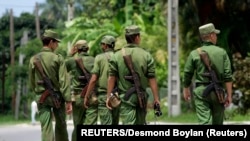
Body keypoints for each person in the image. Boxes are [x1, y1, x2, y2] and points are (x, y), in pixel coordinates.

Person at [106, 25, 160, 125]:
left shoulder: (116, 56)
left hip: (125, 98)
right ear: (137, 37)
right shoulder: (146, 55)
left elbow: (111, 77)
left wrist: (109, 96)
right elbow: (152, 79)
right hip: (142, 97)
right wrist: (156, 99)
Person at [183, 23, 233, 125]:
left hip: (202, 91)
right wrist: (229, 95)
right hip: (218, 92)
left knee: (204, 122)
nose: (216, 37)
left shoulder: (194, 53)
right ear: (211, 35)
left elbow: (188, 73)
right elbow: (228, 76)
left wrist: (186, 89)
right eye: (215, 34)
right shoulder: (222, 52)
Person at [28, 29, 72, 141]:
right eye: (56, 42)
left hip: (41, 97)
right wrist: (68, 100)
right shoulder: (57, 58)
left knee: (46, 127)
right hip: (57, 96)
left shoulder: (34, 59)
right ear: (51, 42)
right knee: (61, 126)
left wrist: (37, 92)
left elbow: (31, 81)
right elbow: (64, 81)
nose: (57, 45)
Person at [65, 40, 97, 141]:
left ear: (76, 49)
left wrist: (70, 55)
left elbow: (63, 68)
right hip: (92, 97)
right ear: (87, 48)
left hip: (78, 97)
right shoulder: (95, 60)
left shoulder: (72, 61)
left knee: (78, 127)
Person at [84, 35, 120, 125]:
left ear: (105, 45)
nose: (101, 46)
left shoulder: (99, 58)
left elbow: (93, 79)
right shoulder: (119, 57)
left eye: (102, 44)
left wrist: (87, 95)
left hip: (104, 95)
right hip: (117, 96)